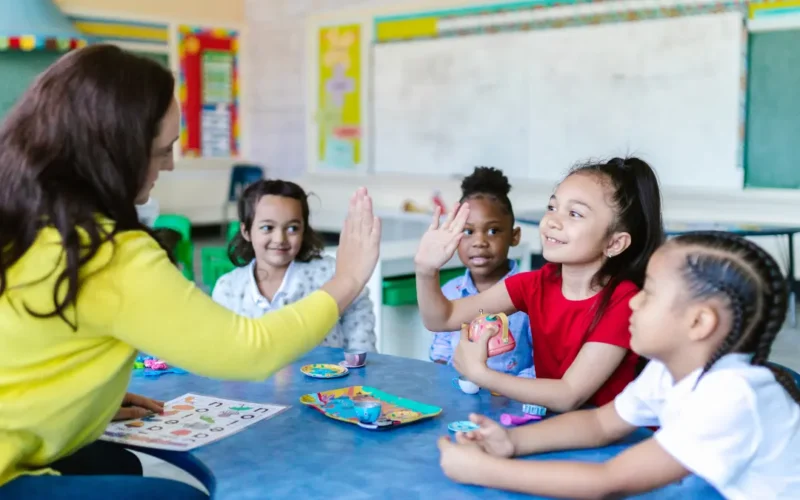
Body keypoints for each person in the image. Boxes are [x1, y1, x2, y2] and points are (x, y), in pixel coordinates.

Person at [0, 44, 380, 496]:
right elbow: (249, 350)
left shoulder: (24, 217)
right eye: (161, 150)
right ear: (113, 152)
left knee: (121, 465)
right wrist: (349, 278)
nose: (170, 164)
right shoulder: (104, 252)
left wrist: (79, 396)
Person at [438, 231, 800, 499]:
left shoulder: (731, 395)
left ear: (698, 323)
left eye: (651, 293)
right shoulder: (667, 370)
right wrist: (512, 442)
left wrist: (485, 471)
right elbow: (600, 423)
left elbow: (607, 481)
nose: (632, 303)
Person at [415, 158, 664, 411]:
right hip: (553, 426)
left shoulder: (624, 302)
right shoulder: (536, 284)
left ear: (614, 243)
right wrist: (426, 270)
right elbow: (442, 318)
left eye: (574, 213)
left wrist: (482, 374)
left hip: (609, 441)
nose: (552, 221)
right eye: (552, 207)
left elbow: (569, 394)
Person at [213, 179, 376, 352]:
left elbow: (360, 326)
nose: (280, 239)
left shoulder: (331, 274)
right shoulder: (228, 288)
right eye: (267, 227)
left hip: (328, 378)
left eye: (292, 228)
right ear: (246, 231)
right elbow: (222, 351)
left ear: (304, 230)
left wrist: (359, 369)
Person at [428, 167, 533, 377]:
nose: (479, 242)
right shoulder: (450, 292)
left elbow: (543, 364)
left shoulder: (531, 295)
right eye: (468, 231)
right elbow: (441, 353)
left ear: (514, 236)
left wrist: (514, 392)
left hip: (513, 400)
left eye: (493, 231)